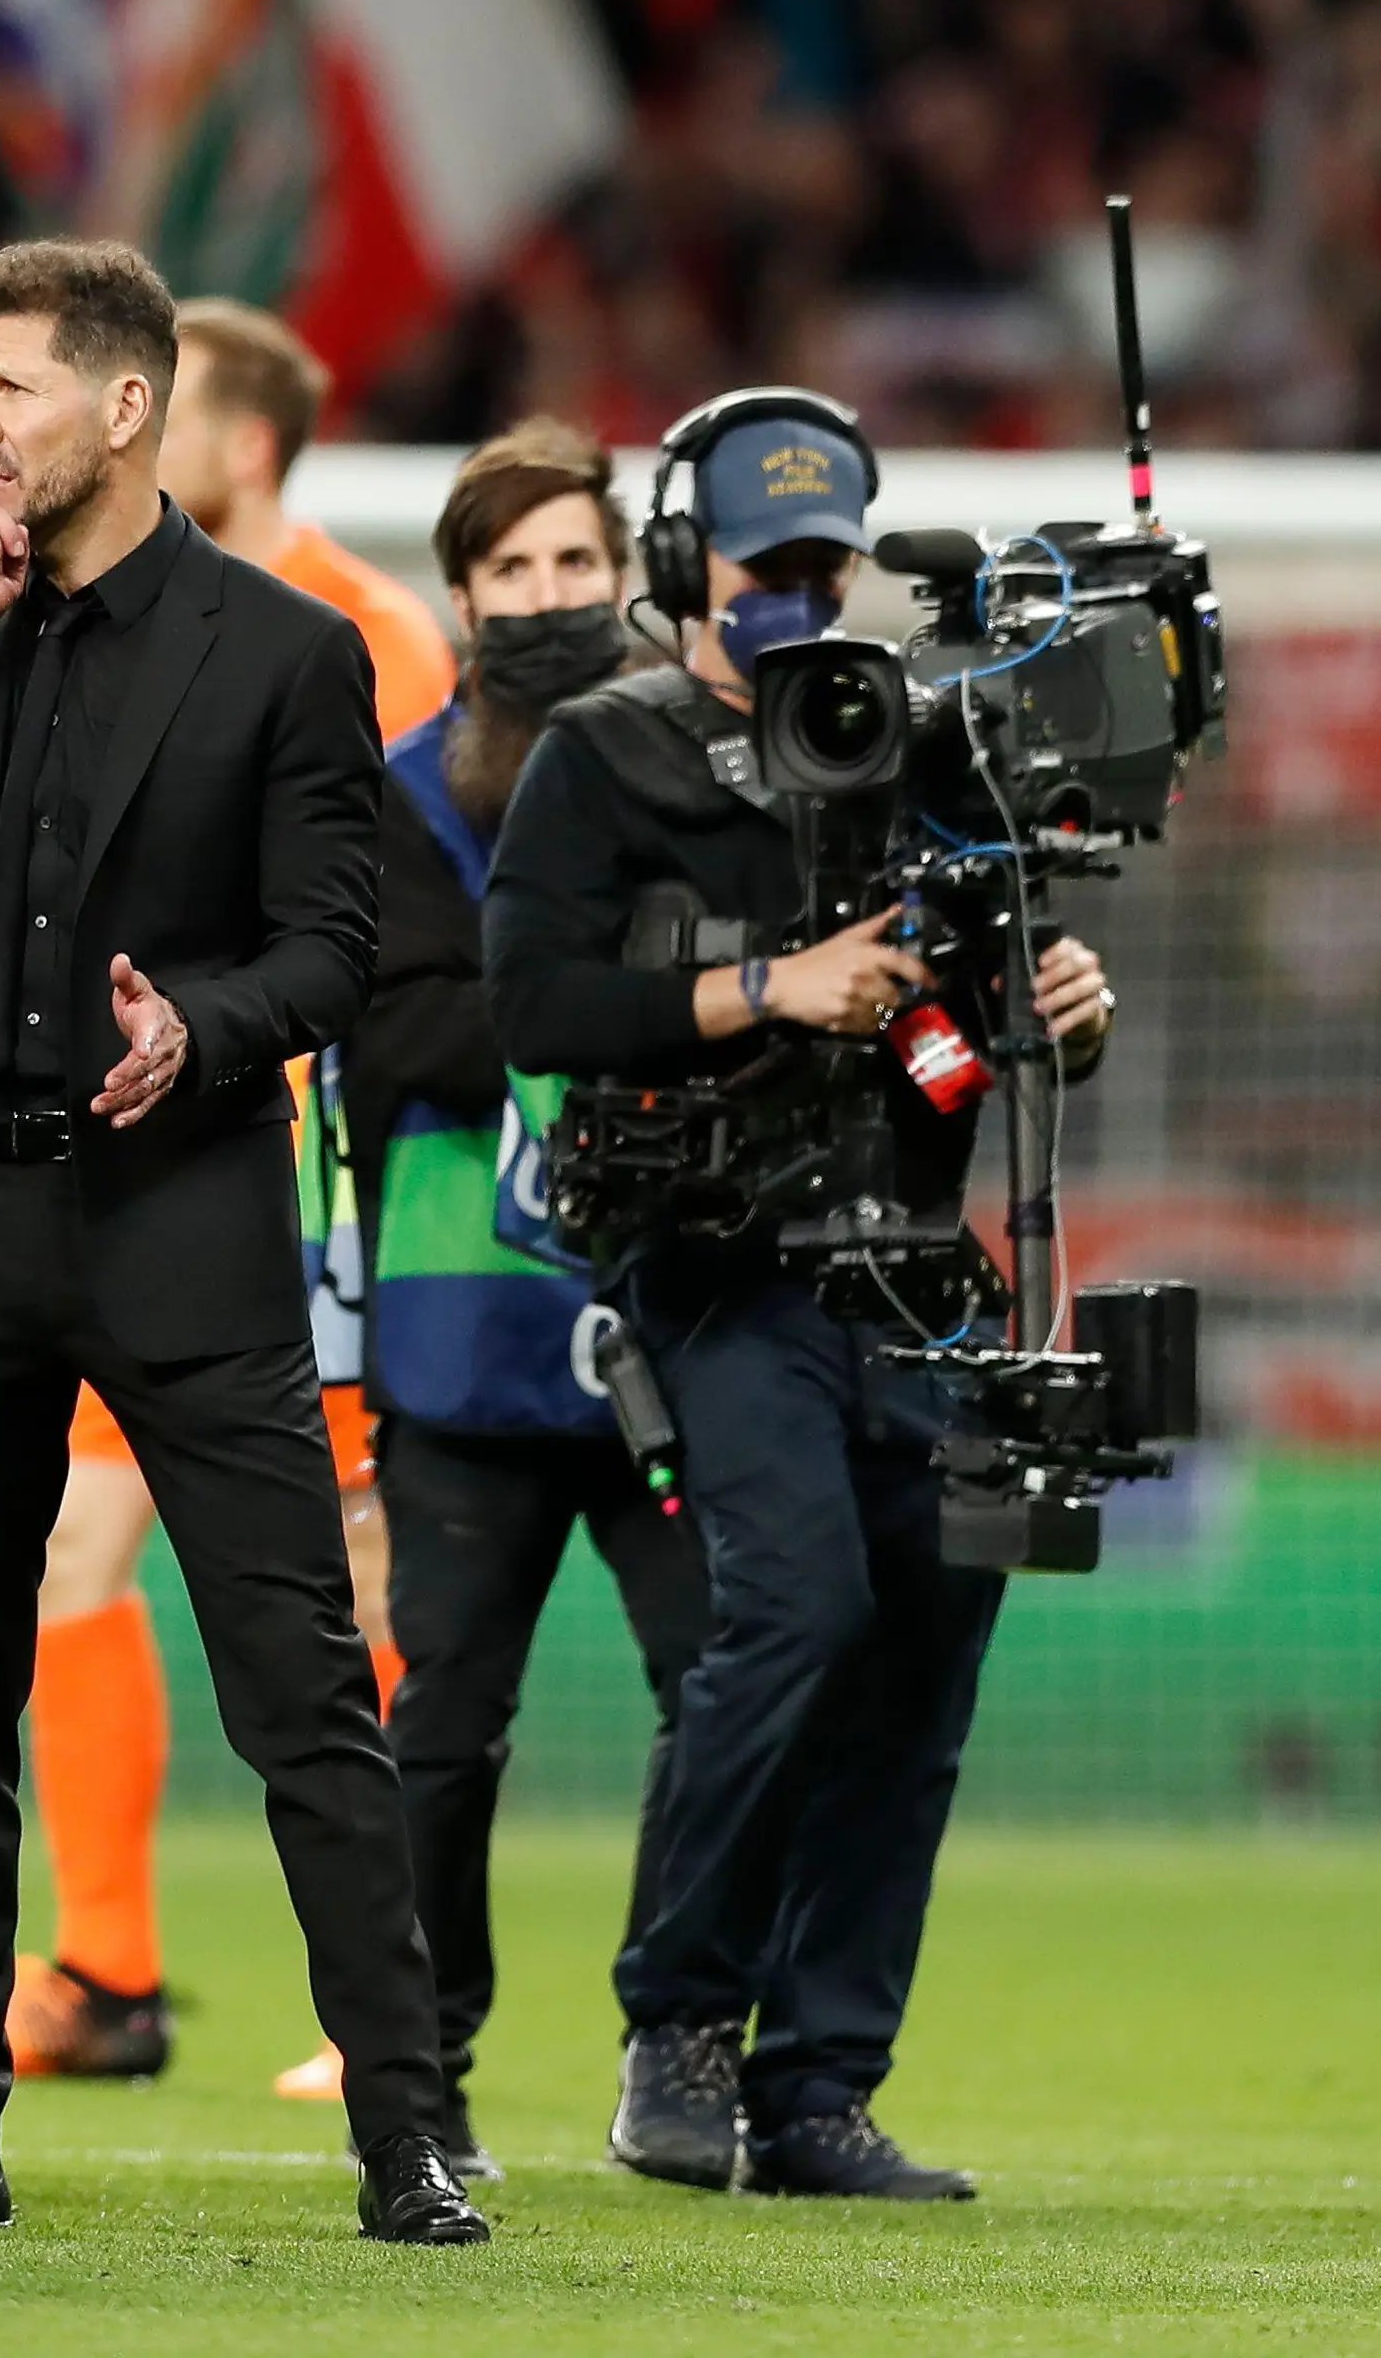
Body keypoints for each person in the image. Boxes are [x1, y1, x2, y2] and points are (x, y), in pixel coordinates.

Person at [0, 237, 484, 2246]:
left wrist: (206, 1028)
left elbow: (337, 946)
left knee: (303, 1689)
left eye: (9, 386)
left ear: (129, 402)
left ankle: (409, 2133)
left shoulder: (285, 647)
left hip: (178, 1215)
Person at [481, 387, 1117, 2200]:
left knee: (924, 1657)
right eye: (769, 562)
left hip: (912, 1262)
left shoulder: (925, 746)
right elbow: (535, 1005)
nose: (800, 593)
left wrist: (1061, 1002)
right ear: (688, 559)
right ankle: (679, 2030)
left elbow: (984, 981)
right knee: (794, 1610)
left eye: (828, 563)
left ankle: (820, 2083)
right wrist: (766, 988)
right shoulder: (604, 754)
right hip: (717, 1261)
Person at [0, 295, 458, 2086]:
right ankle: (105, 1969)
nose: (132, 437)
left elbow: (396, 925)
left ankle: (394, 1999)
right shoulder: (114, 618)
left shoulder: (371, 636)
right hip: (149, 1164)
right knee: (73, 1549)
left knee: (357, 1577)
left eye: (168, 413)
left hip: (319, 1187)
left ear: (242, 444)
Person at [320, 419, 715, 2166]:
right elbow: (391, 1033)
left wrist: (548, 996)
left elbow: (447, 1017)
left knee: (723, 1681)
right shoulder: (398, 793)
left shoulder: (711, 774)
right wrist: (641, 997)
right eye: (513, 570)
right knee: (447, 1724)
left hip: (684, 1315)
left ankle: (681, 2043)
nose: (549, 597)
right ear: (464, 597)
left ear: (625, 577)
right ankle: (425, 2076)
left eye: (575, 563)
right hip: (464, 1330)